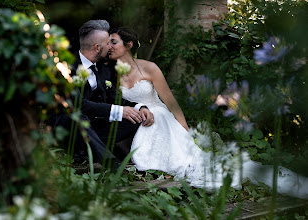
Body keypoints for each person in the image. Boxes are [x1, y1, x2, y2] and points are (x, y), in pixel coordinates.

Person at [108, 27, 308, 199]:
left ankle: (162, 162)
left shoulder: (149, 68)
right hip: (134, 116)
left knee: (159, 117)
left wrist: (184, 130)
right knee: (148, 117)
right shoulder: (110, 72)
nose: (109, 46)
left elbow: (170, 101)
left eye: (113, 42)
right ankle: (153, 164)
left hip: (160, 116)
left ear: (129, 45)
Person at [47, 20, 154, 169]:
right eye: (108, 43)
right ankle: (111, 162)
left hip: (94, 126)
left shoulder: (103, 70)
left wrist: (139, 107)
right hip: (69, 126)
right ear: (97, 48)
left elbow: (115, 98)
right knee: (76, 117)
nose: (111, 46)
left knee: (135, 118)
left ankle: (84, 150)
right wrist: (118, 111)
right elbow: (78, 105)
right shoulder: (65, 67)